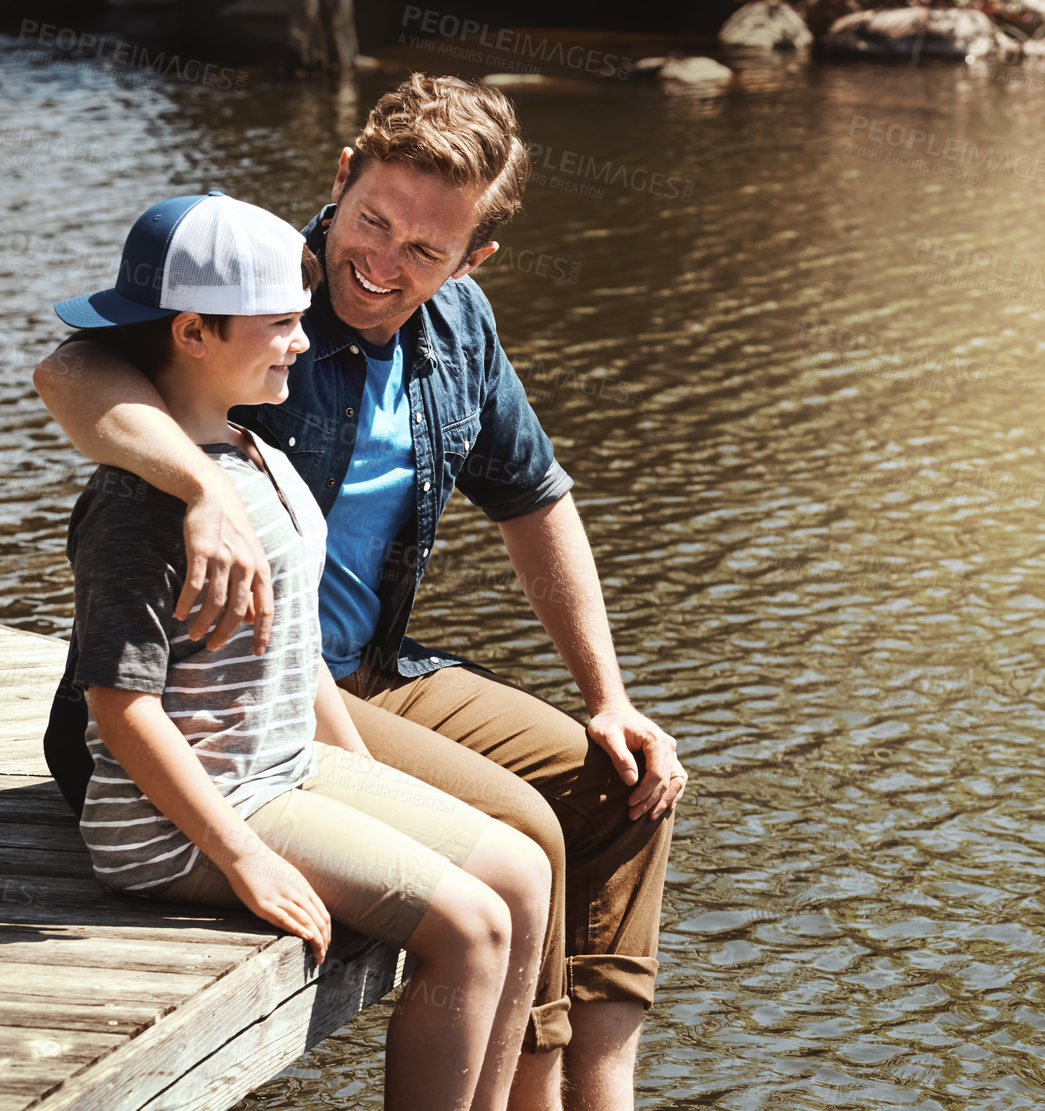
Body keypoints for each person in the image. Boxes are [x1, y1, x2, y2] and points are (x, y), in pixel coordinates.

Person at [33, 75, 686, 1111]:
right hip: (229, 722)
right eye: (371, 220)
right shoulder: (248, 288)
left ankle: (581, 1088)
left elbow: (536, 500)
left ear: (473, 259)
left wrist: (608, 693)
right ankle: (528, 1082)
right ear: (342, 178)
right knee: (529, 834)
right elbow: (71, 367)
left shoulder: (454, 331)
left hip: (355, 676)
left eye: (425, 251)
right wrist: (197, 485)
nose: (381, 263)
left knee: (621, 779)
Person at [56, 192, 551, 1111]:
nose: (301, 340)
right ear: (194, 331)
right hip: (183, 820)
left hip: (284, 767)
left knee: (523, 870)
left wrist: (379, 789)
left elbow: (295, 657)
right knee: (474, 927)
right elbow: (121, 709)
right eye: (281, 322)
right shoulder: (137, 504)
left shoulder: (256, 452)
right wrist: (242, 857)